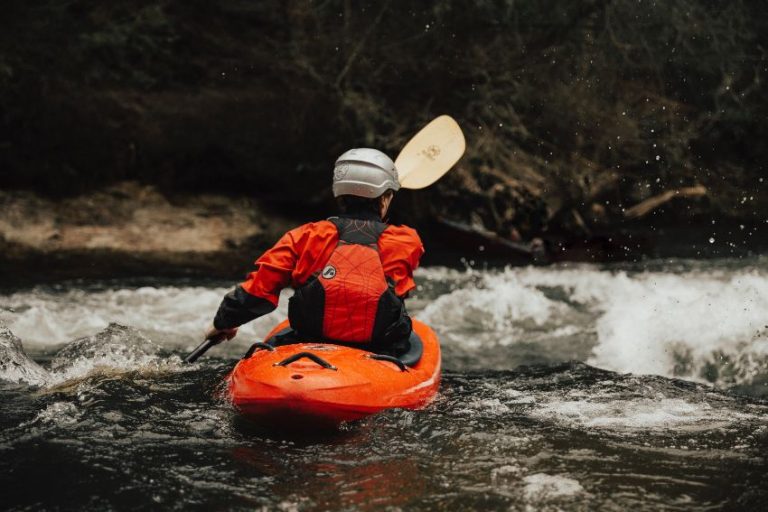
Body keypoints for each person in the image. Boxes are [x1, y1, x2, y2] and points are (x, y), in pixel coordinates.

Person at [204, 148, 424, 355]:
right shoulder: (406, 241)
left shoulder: (303, 236)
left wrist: (223, 323)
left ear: (339, 194)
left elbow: (258, 292)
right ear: (385, 199)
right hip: (380, 349)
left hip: (308, 342)